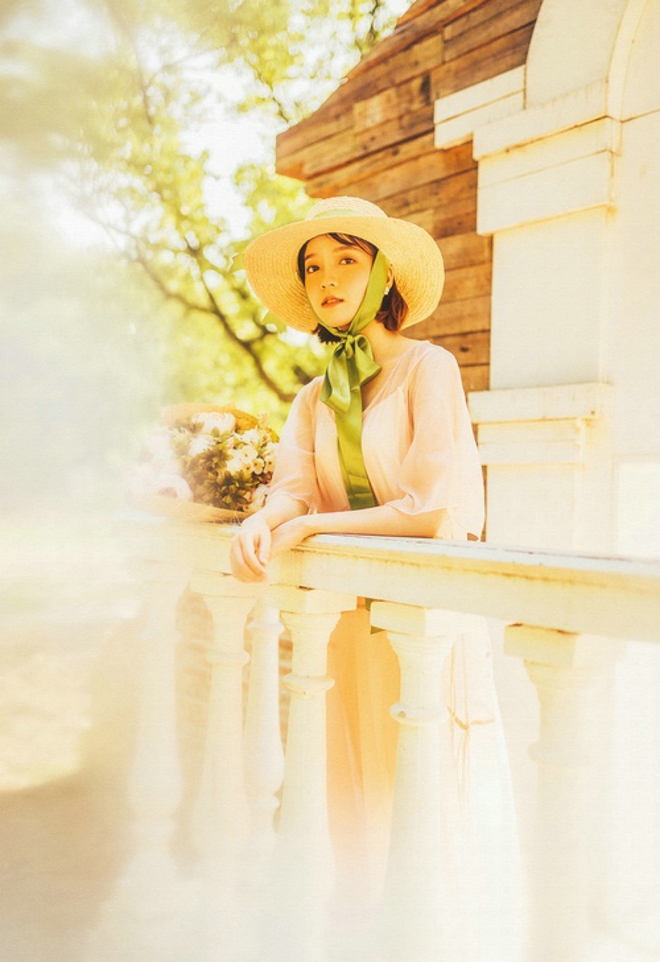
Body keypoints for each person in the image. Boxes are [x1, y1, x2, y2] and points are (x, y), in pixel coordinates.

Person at [230, 196, 520, 959]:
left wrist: (317, 525)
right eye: (314, 267)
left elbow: (429, 506)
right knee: (348, 803)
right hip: (347, 632)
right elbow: (294, 489)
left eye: (346, 261)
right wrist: (263, 520)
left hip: (422, 623)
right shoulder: (312, 395)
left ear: (383, 273)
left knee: (425, 800)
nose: (327, 278)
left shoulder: (431, 368)